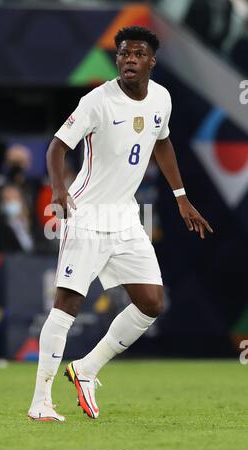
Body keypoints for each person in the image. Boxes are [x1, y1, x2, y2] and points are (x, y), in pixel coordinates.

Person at [28, 26, 213, 422]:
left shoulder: (161, 97)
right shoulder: (97, 100)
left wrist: (181, 198)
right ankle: (41, 400)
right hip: (88, 214)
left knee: (151, 303)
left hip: (126, 216)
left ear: (152, 61)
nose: (129, 59)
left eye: (138, 54)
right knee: (68, 305)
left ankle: (87, 369)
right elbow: (57, 146)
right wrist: (59, 190)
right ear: (117, 60)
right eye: (124, 53)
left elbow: (161, 141)